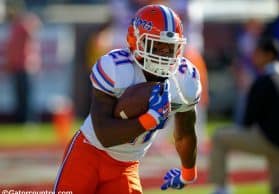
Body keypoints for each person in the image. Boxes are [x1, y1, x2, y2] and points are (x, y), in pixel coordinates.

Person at [54, 4, 201, 194]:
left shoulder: (184, 80)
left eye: (171, 48)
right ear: (136, 41)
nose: (165, 54)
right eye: (157, 45)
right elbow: (104, 135)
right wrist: (150, 119)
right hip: (88, 153)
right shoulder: (116, 67)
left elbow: (185, 133)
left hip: (125, 166)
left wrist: (188, 173)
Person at [209, 37, 279, 194]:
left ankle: (221, 188)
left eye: (258, 53)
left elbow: (247, 121)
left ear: (268, 55)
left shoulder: (262, 81)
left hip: (266, 140)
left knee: (219, 137)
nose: (254, 57)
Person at [5, 11, 42, 123]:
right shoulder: (14, 28)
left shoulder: (23, 26)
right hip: (17, 67)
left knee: (27, 96)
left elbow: (35, 27)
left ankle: (29, 120)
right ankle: (21, 119)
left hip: (26, 66)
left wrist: (27, 21)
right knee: (20, 96)